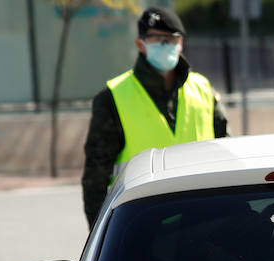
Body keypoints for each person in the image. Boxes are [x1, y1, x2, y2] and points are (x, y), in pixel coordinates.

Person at [81, 6, 228, 229]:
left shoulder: (203, 90)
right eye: (156, 39)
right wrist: (101, 236)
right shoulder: (113, 98)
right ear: (140, 44)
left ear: (181, 43)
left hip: (203, 221)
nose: (164, 45)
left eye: (170, 39)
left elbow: (226, 153)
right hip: (141, 226)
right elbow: (95, 180)